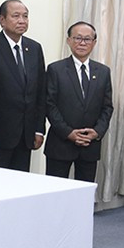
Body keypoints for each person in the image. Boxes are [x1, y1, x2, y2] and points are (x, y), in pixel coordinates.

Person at [0, 0, 46, 172]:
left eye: (25, 16)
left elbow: (40, 92)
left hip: (26, 135)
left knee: (20, 186)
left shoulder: (35, 48)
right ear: (2, 20)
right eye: (16, 16)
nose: (22, 21)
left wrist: (39, 129)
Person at [44, 21, 113, 182]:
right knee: (55, 193)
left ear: (94, 43)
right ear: (68, 40)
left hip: (90, 144)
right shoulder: (55, 69)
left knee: (85, 193)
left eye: (87, 39)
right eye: (77, 38)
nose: (82, 43)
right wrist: (68, 133)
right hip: (61, 144)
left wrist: (97, 132)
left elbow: (107, 107)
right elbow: (49, 105)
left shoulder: (103, 72)